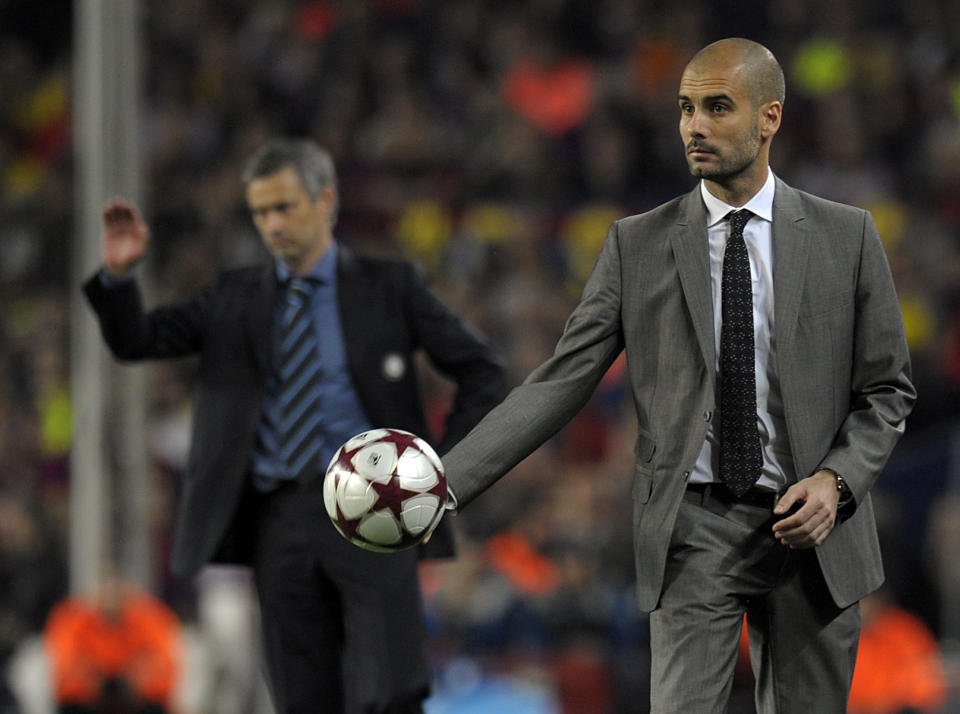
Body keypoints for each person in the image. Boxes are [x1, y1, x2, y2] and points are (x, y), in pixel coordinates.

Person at [440, 37, 915, 713]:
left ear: (769, 118)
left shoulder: (849, 235)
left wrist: (837, 483)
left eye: (718, 107)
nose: (695, 125)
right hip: (695, 527)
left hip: (818, 531)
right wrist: (445, 482)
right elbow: (558, 382)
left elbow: (888, 390)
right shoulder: (636, 244)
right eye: (687, 108)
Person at [83, 139, 506, 714]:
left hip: (376, 508)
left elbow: (482, 371)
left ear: (325, 200)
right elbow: (139, 341)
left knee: (394, 689)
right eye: (260, 212)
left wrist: (440, 477)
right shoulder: (234, 297)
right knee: (299, 695)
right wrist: (117, 279)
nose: (271, 224)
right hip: (277, 515)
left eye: (284, 207)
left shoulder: (390, 287)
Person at [43, 570, 181, 714]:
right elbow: (65, 662)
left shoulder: (151, 618)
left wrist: (137, 677)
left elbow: (161, 661)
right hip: (87, 699)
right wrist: (91, 677)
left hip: (137, 698)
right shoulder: (73, 619)